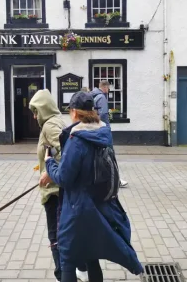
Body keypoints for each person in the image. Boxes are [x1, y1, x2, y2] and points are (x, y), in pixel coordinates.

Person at [44, 91, 144, 282]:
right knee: (91, 257)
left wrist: (49, 163)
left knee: (68, 258)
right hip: (97, 207)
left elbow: (64, 178)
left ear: (74, 112)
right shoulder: (103, 133)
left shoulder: (77, 140)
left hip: (76, 209)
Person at [29, 89, 88, 282]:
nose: (34, 115)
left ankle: (63, 276)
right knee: (67, 235)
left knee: (55, 238)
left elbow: (67, 155)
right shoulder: (54, 121)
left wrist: (50, 173)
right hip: (58, 190)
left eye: (36, 110)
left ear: (44, 108)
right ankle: (81, 269)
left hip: (55, 193)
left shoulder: (50, 125)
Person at [91, 81, 128, 188]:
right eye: (108, 88)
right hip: (103, 130)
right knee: (110, 154)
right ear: (105, 87)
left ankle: (102, 179)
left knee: (99, 155)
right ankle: (116, 180)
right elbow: (103, 114)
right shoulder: (101, 97)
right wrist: (106, 128)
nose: (109, 90)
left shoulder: (93, 96)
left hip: (95, 129)